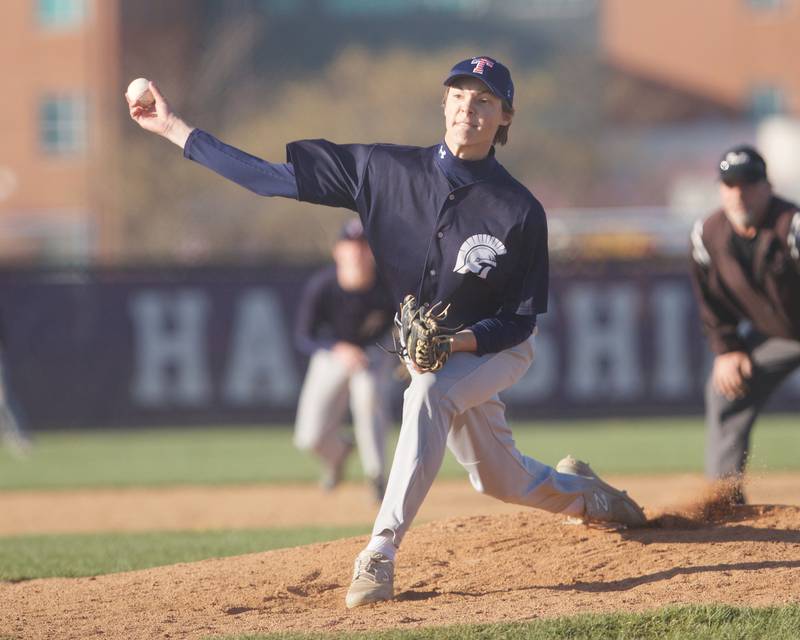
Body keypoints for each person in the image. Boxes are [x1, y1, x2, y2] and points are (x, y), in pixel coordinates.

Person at [126, 55, 646, 609]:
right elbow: (267, 179)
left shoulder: (520, 210)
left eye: (485, 100)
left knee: (426, 390)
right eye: (459, 94)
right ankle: (590, 496)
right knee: (499, 482)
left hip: (496, 347)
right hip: (439, 357)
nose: (469, 106)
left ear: (505, 119)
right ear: (444, 104)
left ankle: (380, 550)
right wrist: (175, 128)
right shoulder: (382, 169)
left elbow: (519, 320)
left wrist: (457, 343)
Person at [690, 145, 800, 503]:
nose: (739, 194)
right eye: (730, 184)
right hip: (779, 336)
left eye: (749, 183)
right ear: (721, 189)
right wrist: (728, 348)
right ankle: (724, 503)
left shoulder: (792, 226)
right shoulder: (708, 235)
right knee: (726, 388)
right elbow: (711, 300)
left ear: (767, 186)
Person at [293, 218, 394, 501]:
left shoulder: (386, 285)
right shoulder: (323, 286)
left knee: (369, 399)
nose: (358, 253)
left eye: (364, 246)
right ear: (338, 251)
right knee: (308, 437)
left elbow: (401, 323)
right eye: (351, 246)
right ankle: (339, 453)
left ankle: (376, 477)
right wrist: (339, 349)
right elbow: (304, 335)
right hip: (332, 353)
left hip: (373, 352)